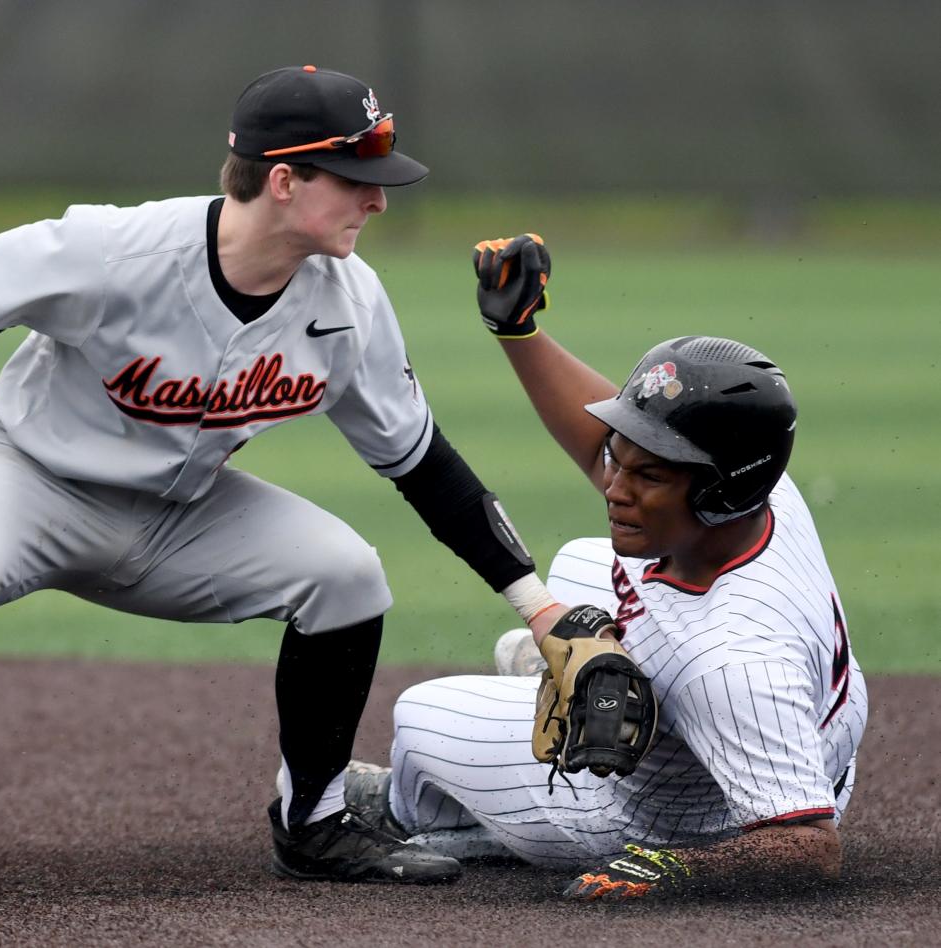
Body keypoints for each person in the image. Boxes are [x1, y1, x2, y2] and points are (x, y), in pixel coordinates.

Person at [0, 68, 571, 891]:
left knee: (346, 576)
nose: (378, 199)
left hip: (182, 516)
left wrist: (537, 607)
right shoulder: (117, 248)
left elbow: (421, 463)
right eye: (356, 179)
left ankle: (312, 823)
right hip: (29, 480)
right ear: (283, 181)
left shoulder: (349, 299)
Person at [343, 235, 867, 900]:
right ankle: (634, 697)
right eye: (624, 457)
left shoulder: (732, 662)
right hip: (812, 740)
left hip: (686, 818)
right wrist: (517, 329)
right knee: (578, 564)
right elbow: (606, 448)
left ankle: (412, 812)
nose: (615, 484)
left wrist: (678, 868)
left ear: (718, 491)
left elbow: (809, 847)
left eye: (647, 474)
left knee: (419, 718)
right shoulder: (761, 490)